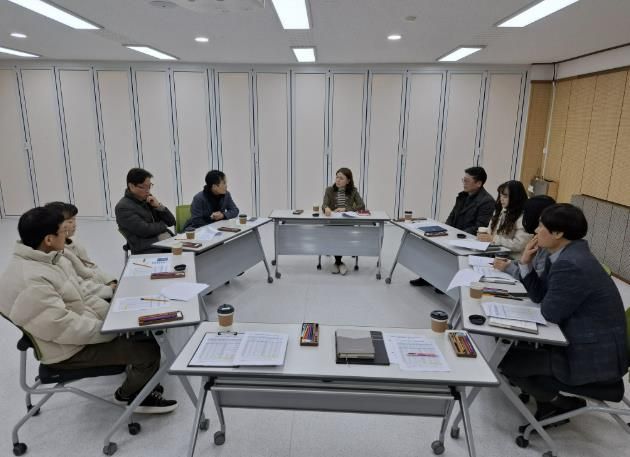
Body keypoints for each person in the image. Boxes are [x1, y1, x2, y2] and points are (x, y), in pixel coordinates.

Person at [0, 207, 177, 413]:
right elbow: (63, 328)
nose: (67, 233)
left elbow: (81, 295)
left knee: (141, 330)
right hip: (66, 350)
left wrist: (114, 316)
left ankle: (140, 380)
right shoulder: (32, 280)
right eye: (62, 231)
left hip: (77, 332)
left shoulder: (48, 259)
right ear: (48, 239)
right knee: (147, 351)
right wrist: (111, 330)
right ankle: (129, 395)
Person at [499, 204, 627, 421]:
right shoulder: (565, 253)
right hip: (586, 342)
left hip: (593, 357)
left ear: (558, 233)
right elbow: (540, 296)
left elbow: (549, 313)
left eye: (541, 226)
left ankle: (561, 405)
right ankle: (551, 402)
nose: (536, 231)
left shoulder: (571, 263)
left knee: (508, 362)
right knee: (515, 352)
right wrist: (525, 264)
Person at [410, 166, 494, 287]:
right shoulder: (463, 196)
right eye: (463, 180)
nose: (464, 183)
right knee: (431, 244)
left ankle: (441, 282)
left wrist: (456, 236)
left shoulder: (487, 201)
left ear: (479, 183)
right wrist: (445, 230)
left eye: (467, 181)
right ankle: (427, 277)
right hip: (454, 234)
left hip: (468, 239)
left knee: (444, 251)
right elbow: (452, 215)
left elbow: (479, 226)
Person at [45, 202, 118, 300]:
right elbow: (79, 284)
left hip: (97, 289)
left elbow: (91, 267)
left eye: (74, 220)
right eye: (70, 222)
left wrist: (109, 281)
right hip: (91, 295)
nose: (74, 225)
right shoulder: (58, 255)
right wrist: (108, 289)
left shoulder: (74, 244)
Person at [493, 195, 556, 279]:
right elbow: (527, 264)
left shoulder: (547, 243)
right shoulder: (538, 237)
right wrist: (510, 263)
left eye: (526, 214)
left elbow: (535, 279)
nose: (524, 217)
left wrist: (508, 267)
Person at [115, 168, 175, 254]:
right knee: (185, 255)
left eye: (149, 186)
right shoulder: (123, 207)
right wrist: (163, 224)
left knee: (190, 253)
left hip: (164, 242)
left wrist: (158, 206)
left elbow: (171, 222)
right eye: (143, 187)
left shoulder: (148, 199)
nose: (148, 190)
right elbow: (145, 230)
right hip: (147, 249)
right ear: (131, 186)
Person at [322, 167, 365, 275]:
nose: (338, 180)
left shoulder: (353, 191)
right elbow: (324, 204)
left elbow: (361, 206)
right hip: (333, 223)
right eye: (337, 177)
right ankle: (339, 263)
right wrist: (326, 208)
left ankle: (337, 263)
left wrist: (346, 209)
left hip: (347, 223)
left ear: (348, 181)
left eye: (341, 178)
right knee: (336, 235)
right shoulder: (329, 190)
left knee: (341, 235)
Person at [476, 180, 530, 258]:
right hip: (494, 253)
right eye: (500, 195)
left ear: (515, 197)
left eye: (505, 196)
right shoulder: (500, 210)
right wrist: (484, 235)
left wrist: (494, 239)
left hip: (512, 258)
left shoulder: (524, 217)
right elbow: (491, 232)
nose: (501, 199)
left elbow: (519, 245)